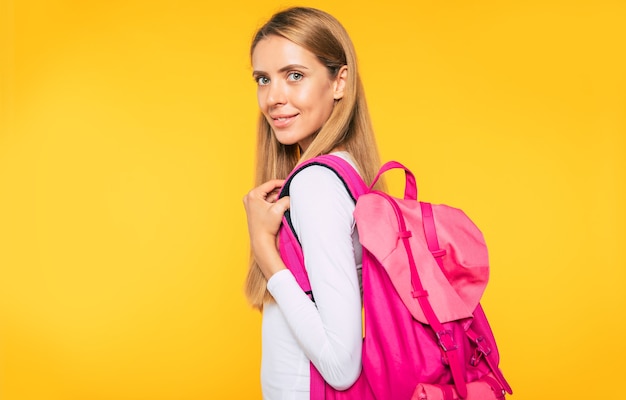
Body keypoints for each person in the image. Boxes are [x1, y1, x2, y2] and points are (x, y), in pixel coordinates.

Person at [242, 7, 384, 399]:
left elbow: (341, 365)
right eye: (263, 79)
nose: (273, 97)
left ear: (340, 82)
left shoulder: (315, 184)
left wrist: (264, 251)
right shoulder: (346, 172)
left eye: (295, 76)